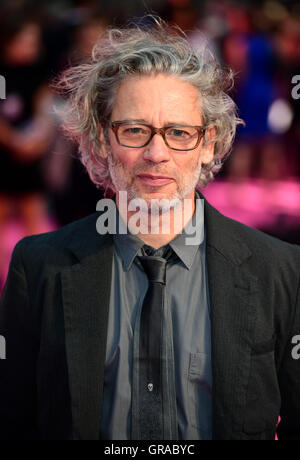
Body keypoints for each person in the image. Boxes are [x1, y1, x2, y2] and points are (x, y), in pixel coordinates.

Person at [0, 18, 299, 441]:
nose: (156, 153)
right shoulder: (38, 267)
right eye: (135, 130)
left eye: (178, 132)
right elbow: (13, 418)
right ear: (103, 140)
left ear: (209, 143)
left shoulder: (281, 271)